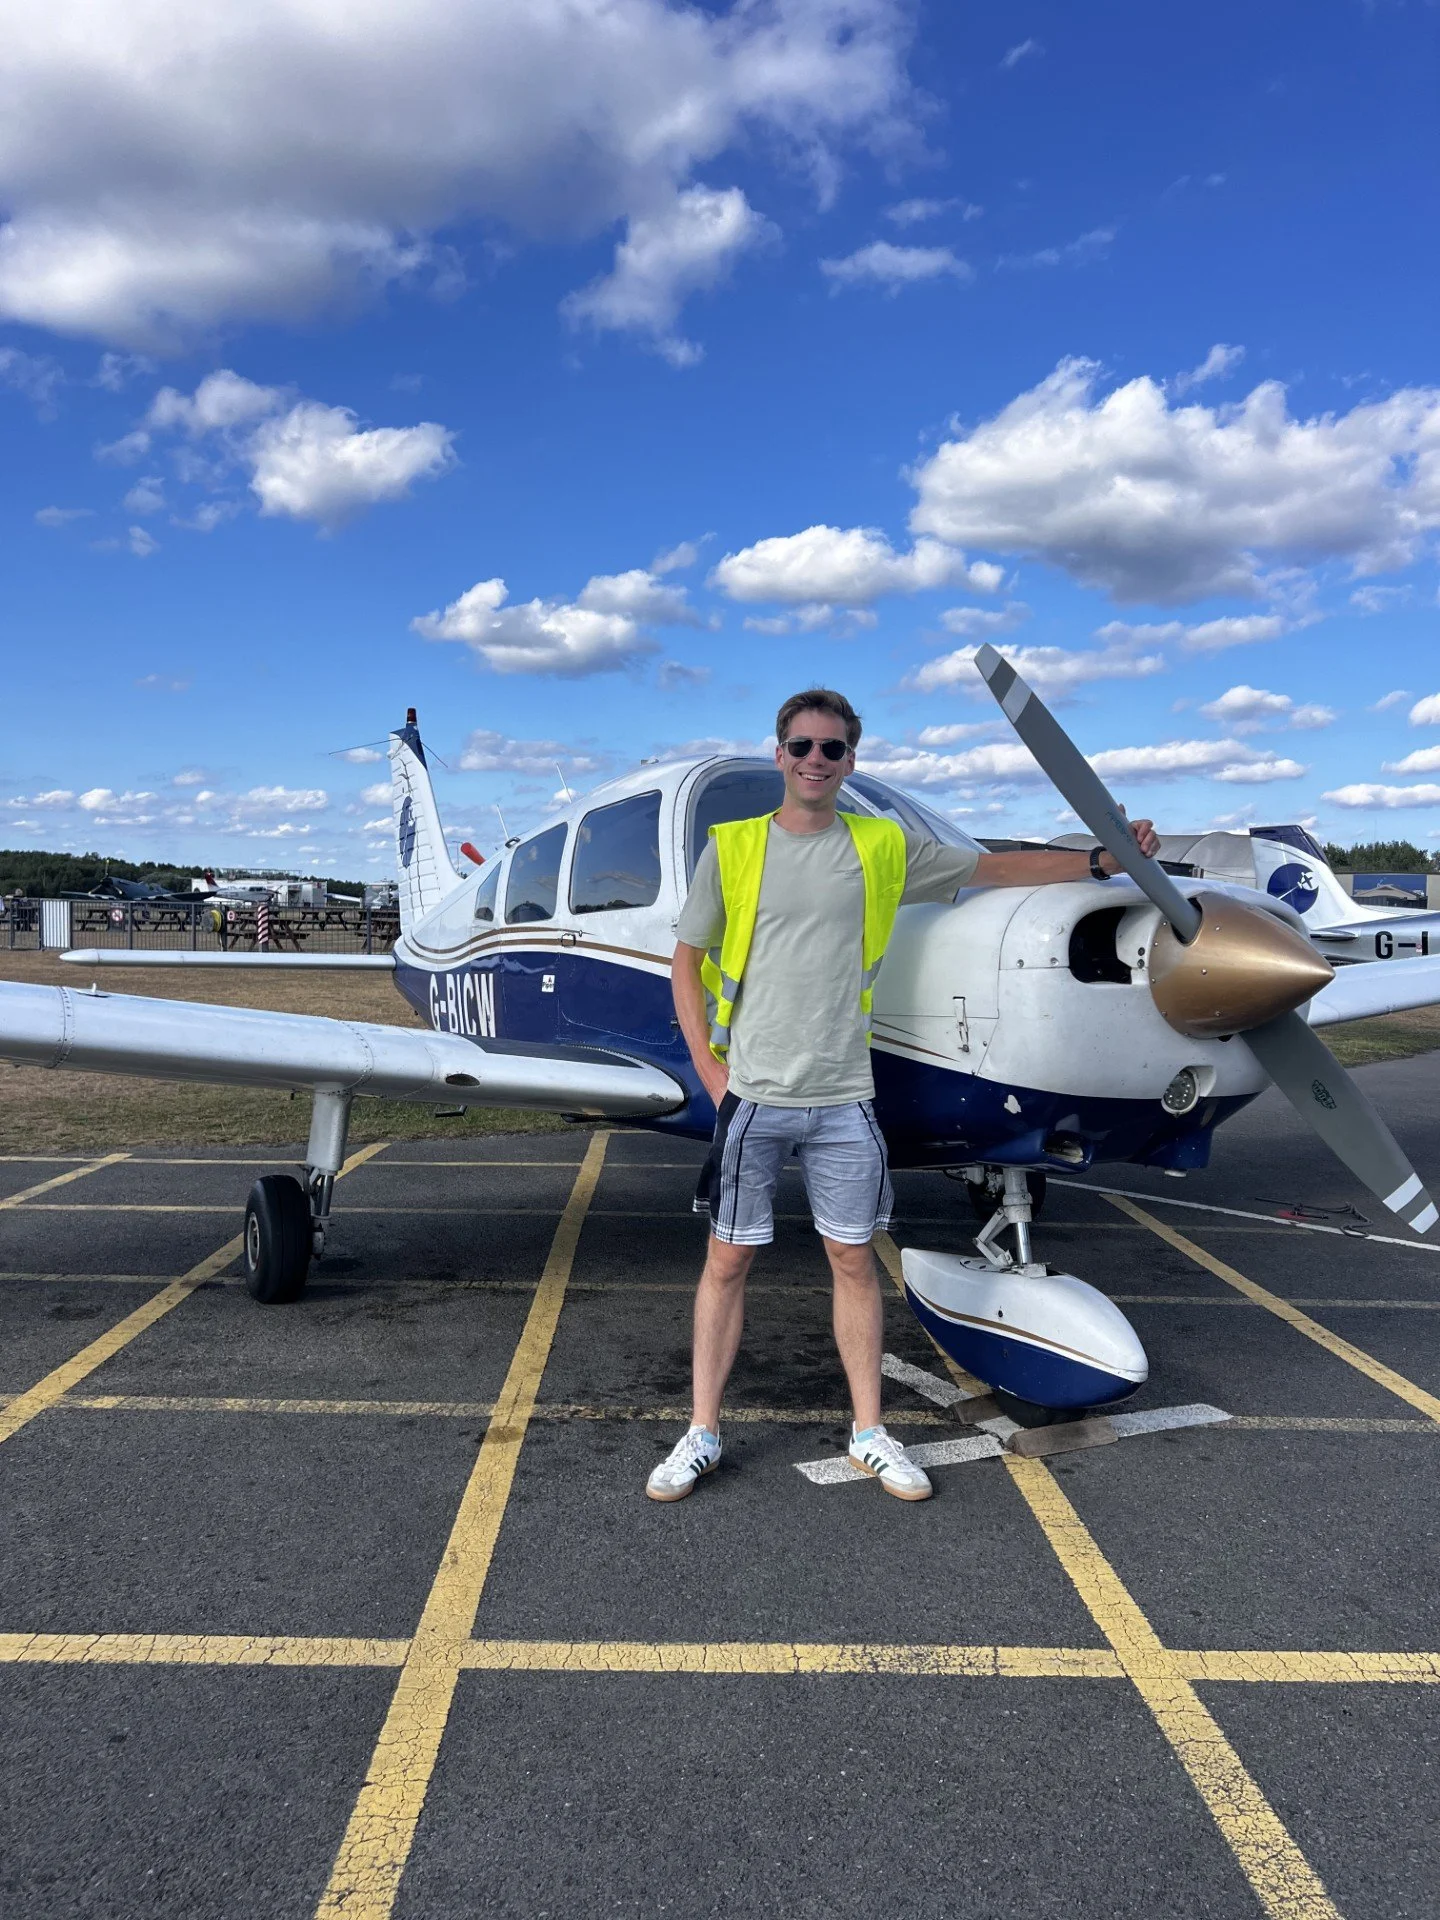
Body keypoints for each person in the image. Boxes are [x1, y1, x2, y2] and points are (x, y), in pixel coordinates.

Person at [647, 687, 1159, 1504]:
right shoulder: (734, 848)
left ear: (852, 759)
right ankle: (702, 1431)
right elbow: (686, 959)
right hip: (754, 1095)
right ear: (780, 755)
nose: (818, 760)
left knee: (854, 1263)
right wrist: (712, 1076)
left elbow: (991, 868)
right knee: (727, 1262)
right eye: (803, 747)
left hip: (848, 1095)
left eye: (834, 749)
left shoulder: (883, 846)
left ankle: (870, 1433)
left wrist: (1100, 862)